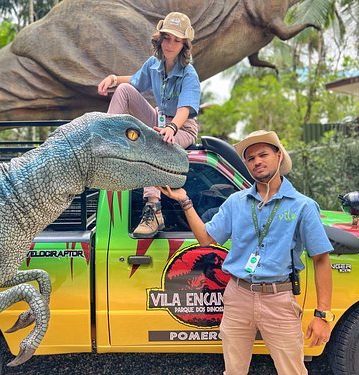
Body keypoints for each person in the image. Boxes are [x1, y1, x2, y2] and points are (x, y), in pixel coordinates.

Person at [159, 130, 334, 375]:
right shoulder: (235, 202)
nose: (257, 162)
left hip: (279, 299)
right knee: (233, 371)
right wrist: (184, 201)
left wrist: (322, 315)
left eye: (263, 154)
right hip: (237, 296)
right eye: (250, 158)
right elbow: (205, 239)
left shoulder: (302, 206)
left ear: (279, 155)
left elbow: (321, 259)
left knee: (292, 371)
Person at [97, 11, 201, 238]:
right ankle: (105, 139)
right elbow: (134, 80)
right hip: (160, 120)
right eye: (167, 37)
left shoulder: (189, 74)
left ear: (184, 44)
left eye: (177, 40)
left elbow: (185, 108)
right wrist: (114, 78)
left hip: (182, 128)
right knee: (124, 90)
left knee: (155, 142)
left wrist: (172, 128)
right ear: (160, 38)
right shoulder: (154, 64)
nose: (171, 43)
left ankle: (153, 209)